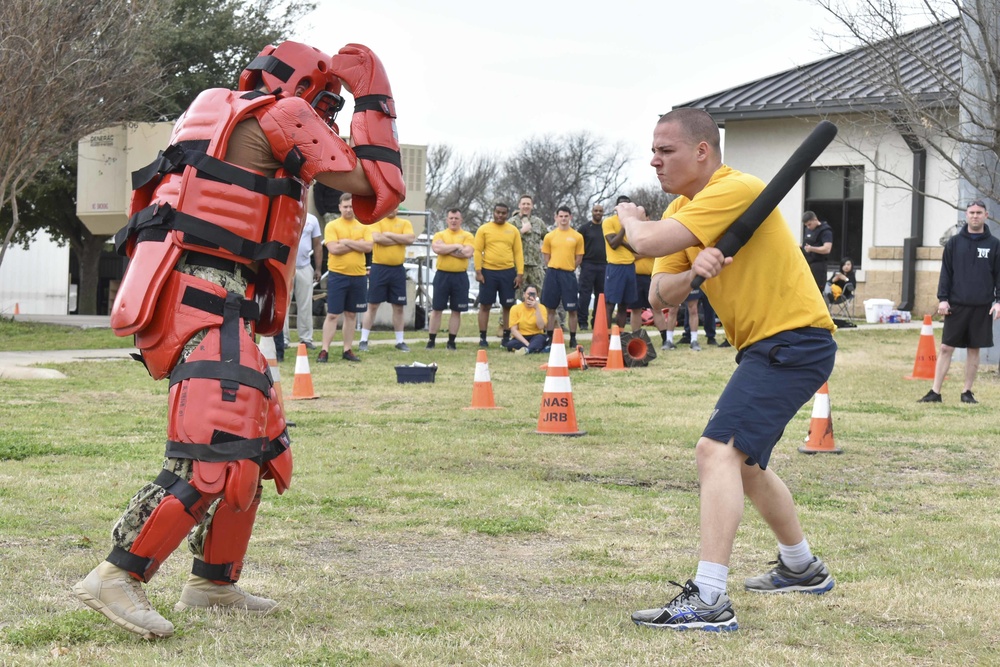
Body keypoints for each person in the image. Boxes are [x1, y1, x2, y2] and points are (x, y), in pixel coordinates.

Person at [73, 41, 404, 639]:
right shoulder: (281, 115)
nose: (330, 117)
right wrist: (374, 98)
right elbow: (378, 189)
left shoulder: (217, 108)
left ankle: (213, 582)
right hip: (207, 295)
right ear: (306, 89)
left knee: (261, 446)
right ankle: (117, 576)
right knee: (215, 449)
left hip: (209, 293)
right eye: (328, 102)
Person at [618, 108, 836, 632]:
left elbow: (644, 242)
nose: (655, 161)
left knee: (715, 450)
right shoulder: (682, 209)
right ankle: (801, 566)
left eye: (665, 151)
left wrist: (627, 217)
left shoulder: (735, 189)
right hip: (766, 345)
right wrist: (694, 271)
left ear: (701, 151)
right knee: (743, 463)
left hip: (794, 339)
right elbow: (660, 297)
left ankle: (709, 599)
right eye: (653, 151)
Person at [918, 200, 1000, 404]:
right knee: (946, 347)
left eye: (979, 213)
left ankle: (967, 392)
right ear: (966, 215)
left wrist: (998, 301)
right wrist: (943, 300)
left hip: (982, 305)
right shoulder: (954, 243)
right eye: (971, 212)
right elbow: (946, 273)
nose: (975, 216)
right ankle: (935, 392)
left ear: (986, 215)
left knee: (974, 348)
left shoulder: (994, 244)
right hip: (956, 305)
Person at [319, 193, 373, 363]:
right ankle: (324, 350)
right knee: (333, 314)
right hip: (338, 275)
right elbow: (333, 249)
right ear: (340, 207)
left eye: (351, 206)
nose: (349, 209)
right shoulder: (332, 226)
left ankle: (347, 349)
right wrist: (357, 244)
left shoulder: (364, 226)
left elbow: (368, 246)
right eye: (346, 206)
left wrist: (347, 242)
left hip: (358, 276)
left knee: (351, 315)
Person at [358, 207, 415, 352]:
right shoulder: (377, 222)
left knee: (398, 306)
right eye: (389, 207)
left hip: (397, 269)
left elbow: (410, 239)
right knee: (373, 305)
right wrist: (398, 239)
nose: (391, 210)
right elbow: (377, 238)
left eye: (394, 207)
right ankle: (363, 340)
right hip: (379, 268)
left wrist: (389, 235)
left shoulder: (405, 223)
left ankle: (400, 341)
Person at [474, 202, 524, 348]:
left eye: (503, 213)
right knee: (485, 305)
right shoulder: (483, 229)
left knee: (508, 306)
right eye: (498, 212)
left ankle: (506, 337)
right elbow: (477, 251)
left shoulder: (513, 230)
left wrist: (519, 274)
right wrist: (478, 271)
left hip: (508, 272)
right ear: (493, 212)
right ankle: (483, 337)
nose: (500, 215)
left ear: (507, 214)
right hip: (488, 272)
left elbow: (518, 253)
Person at [427, 208, 474, 350]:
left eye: (456, 218)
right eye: (451, 218)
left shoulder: (467, 236)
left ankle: (451, 341)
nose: (453, 221)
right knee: (437, 309)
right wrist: (456, 247)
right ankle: (431, 340)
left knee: (456, 310)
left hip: (460, 276)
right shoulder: (440, 234)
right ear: (447, 220)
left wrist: (446, 249)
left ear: (461, 220)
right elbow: (437, 249)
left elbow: (467, 252)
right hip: (442, 275)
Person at [541, 206, 584, 348]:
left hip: (568, 274)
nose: (563, 219)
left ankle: (572, 338)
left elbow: (579, 257)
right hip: (553, 273)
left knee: (572, 309)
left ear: (570, 217)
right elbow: (546, 257)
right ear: (556, 218)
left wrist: (570, 268)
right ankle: (549, 336)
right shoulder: (549, 236)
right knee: (550, 308)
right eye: (561, 216)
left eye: (566, 216)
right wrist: (554, 266)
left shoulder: (577, 236)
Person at [282, 210, 323, 350]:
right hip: (286, 266)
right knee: (284, 304)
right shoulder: (286, 216)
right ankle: (283, 339)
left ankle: (306, 338)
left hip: (305, 266)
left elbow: (317, 244)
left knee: (306, 304)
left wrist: (318, 268)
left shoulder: (312, 219)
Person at [603, 195, 639, 329]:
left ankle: (621, 335)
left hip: (629, 266)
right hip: (615, 266)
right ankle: (607, 336)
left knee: (624, 304)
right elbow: (613, 243)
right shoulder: (609, 222)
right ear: (616, 208)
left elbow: (637, 247)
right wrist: (624, 226)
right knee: (610, 304)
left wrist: (622, 241)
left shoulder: (635, 224)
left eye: (627, 206)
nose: (624, 208)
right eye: (621, 206)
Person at [577, 203, 607, 330]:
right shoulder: (584, 228)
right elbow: (577, 245)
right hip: (588, 265)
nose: (598, 213)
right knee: (585, 295)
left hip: (604, 265)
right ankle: (582, 322)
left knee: (601, 295)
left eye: (600, 211)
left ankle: (597, 321)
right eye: (596, 210)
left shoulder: (606, 227)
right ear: (592, 212)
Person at [512, 194, 546, 296]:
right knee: (515, 296)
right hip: (518, 266)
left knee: (543, 294)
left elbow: (548, 238)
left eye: (528, 204)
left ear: (532, 206)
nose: (526, 206)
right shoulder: (512, 222)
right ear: (519, 205)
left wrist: (544, 247)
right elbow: (506, 240)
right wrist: (521, 231)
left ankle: (541, 312)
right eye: (523, 204)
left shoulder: (538, 222)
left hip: (535, 265)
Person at [632, 251, 668, 343]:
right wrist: (646, 254)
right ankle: (636, 338)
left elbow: (657, 253)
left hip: (651, 276)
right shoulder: (633, 239)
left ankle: (665, 338)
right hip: (635, 276)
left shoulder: (651, 237)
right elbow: (631, 256)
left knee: (656, 308)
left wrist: (641, 254)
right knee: (635, 309)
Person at [502, 285, 548, 353]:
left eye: (533, 294)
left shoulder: (541, 308)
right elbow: (514, 330)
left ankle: (528, 350)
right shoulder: (515, 308)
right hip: (521, 337)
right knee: (510, 345)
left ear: (537, 295)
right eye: (529, 294)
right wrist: (527, 344)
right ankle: (533, 349)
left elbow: (541, 326)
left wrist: (537, 308)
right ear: (524, 295)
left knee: (540, 340)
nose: (531, 296)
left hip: (536, 335)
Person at [802, 211, 833, 293]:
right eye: (806, 225)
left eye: (809, 224)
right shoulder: (808, 230)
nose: (808, 227)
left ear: (815, 219)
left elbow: (827, 249)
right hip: (808, 263)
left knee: (817, 291)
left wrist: (812, 249)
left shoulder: (825, 231)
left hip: (819, 265)